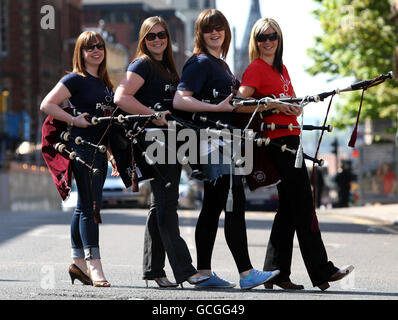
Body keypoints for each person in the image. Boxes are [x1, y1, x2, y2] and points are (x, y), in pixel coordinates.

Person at [238, 17, 354, 291]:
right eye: (262, 37)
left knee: (289, 209)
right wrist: (272, 106)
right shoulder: (255, 68)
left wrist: (294, 107)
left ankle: (275, 272)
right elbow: (241, 104)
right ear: (256, 42)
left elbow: (291, 102)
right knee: (303, 204)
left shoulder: (281, 69)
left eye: (272, 36)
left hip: (292, 138)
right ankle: (322, 269)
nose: (268, 42)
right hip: (277, 142)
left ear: (279, 40)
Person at [173, 9, 279, 290]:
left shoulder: (221, 64)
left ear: (226, 32)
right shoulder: (199, 62)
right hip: (211, 143)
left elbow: (234, 105)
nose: (214, 33)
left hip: (227, 143)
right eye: (208, 29)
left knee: (219, 205)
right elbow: (180, 100)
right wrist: (215, 108)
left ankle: (207, 272)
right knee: (226, 205)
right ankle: (243, 274)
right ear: (200, 34)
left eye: (219, 27)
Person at [113, 16, 209, 288]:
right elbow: (121, 97)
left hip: (170, 142)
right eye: (150, 36)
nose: (157, 40)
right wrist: (152, 114)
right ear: (143, 41)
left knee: (160, 206)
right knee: (167, 206)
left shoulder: (166, 67)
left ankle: (154, 270)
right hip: (154, 142)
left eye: (161, 35)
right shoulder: (142, 64)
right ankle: (186, 270)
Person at [40, 31, 113, 287]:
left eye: (99, 46)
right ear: (80, 52)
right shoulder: (75, 79)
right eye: (89, 47)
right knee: (91, 207)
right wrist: (73, 120)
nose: (96, 50)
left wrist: (113, 154)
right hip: (83, 151)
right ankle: (94, 264)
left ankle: (77, 263)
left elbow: (108, 124)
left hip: (101, 152)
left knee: (85, 205)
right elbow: (47, 104)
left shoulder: (104, 83)